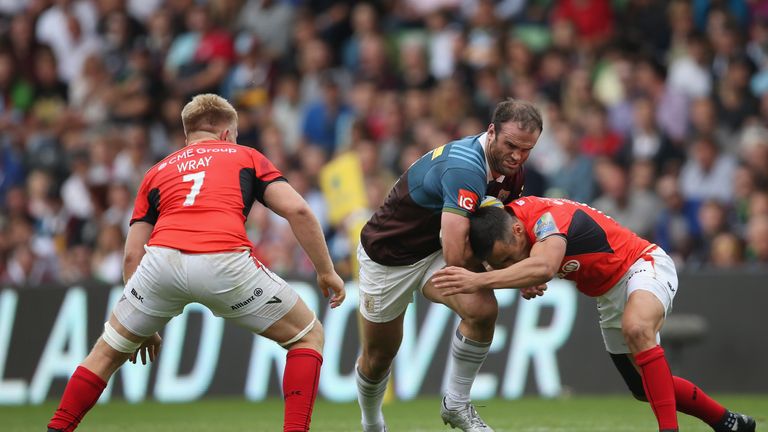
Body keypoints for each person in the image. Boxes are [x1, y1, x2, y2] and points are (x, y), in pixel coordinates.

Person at [46, 94, 345, 432]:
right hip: (224, 261)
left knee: (104, 354)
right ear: (227, 135)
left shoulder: (157, 171)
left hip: (161, 264)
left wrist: (145, 321)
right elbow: (299, 210)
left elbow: (132, 254)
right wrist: (326, 270)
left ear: (187, 137)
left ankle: (57, 428)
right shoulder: (245, 156)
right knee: (307, 335)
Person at [432, 197, 756, 432]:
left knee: (637, 327)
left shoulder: (545, 217)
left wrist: (479, 279)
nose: (508, 266)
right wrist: (519, 275)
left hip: (641, 265)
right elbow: (532, 266)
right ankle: (726, 422)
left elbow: (543, 266)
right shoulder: (511, 227)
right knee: (644, 389)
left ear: (518, 230)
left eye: (507, 259)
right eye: (502, 264)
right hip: (607, 294)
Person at [356, 99, 542, 432]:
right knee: (379, 356)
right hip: (390, 256)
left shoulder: (513, 173)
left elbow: (503, 233)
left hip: (435, 250)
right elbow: (457, 258)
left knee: (482, 309)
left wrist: (524, 266)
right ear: (491, 132)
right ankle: (372, 423)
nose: (517, 156)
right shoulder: (465, 167)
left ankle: (456, 405)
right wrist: (516, 277)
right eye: (511, 145)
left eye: (526, 149)